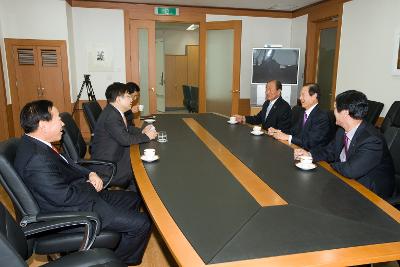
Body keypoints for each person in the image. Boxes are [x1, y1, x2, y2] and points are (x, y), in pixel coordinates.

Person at [14, 100, 152, 265]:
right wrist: (90, 184)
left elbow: (70, 164)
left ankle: (115, 243)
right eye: (58, 118)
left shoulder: (37, 144)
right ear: (43, 125)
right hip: (72, 211)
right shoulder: (36, 159)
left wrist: (91, 173)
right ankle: (118, 262)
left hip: (81, 195)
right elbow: (64, 198)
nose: (62, 123)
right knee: (142, 223)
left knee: (132, 199)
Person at [294, 90, 395, 199]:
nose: (333, 112)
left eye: (336, 108)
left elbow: (350, 170)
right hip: (346, 180)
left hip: (370, 192)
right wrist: (309, 155)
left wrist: (327, 167)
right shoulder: (342, 131)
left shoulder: (372, 140)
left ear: (345, 112)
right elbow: (329, 151)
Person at [91, 82, 157, 189]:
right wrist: (147, 137)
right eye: (128, 96)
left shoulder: (114, 111)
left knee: (141, 156)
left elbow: (126, 129)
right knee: (142, 167)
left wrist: (141, 131)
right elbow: (125, 140)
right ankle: (138, 195)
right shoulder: (111, 116)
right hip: (109, 165)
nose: (131, 99)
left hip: (115, 154)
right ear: (118, 99)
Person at [271, 83, 331, 150]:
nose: (300, 98)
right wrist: (278, 132)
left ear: (314, 96)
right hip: (298, 149)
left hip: (311, 156)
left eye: (303, 95)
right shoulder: (301, 112)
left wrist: (287, 137)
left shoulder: (321, 117)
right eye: (300, 95)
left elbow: (310, 142)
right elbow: (293, 131)